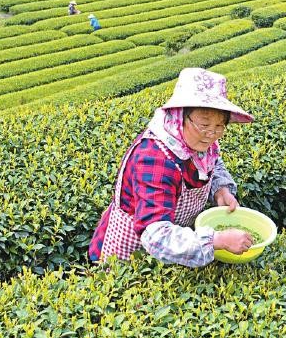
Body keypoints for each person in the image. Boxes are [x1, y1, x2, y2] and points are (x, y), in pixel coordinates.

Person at [89, 68, 256, 266]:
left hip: (176, 242)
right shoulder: (153, 160)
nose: (212, 134)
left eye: (220, 126)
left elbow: (214, 163)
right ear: (179, 116)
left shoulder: (197, 142)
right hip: (134, 252)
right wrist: (217, 240)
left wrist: (221, 190)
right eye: (204, 124)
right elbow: (156, 236)